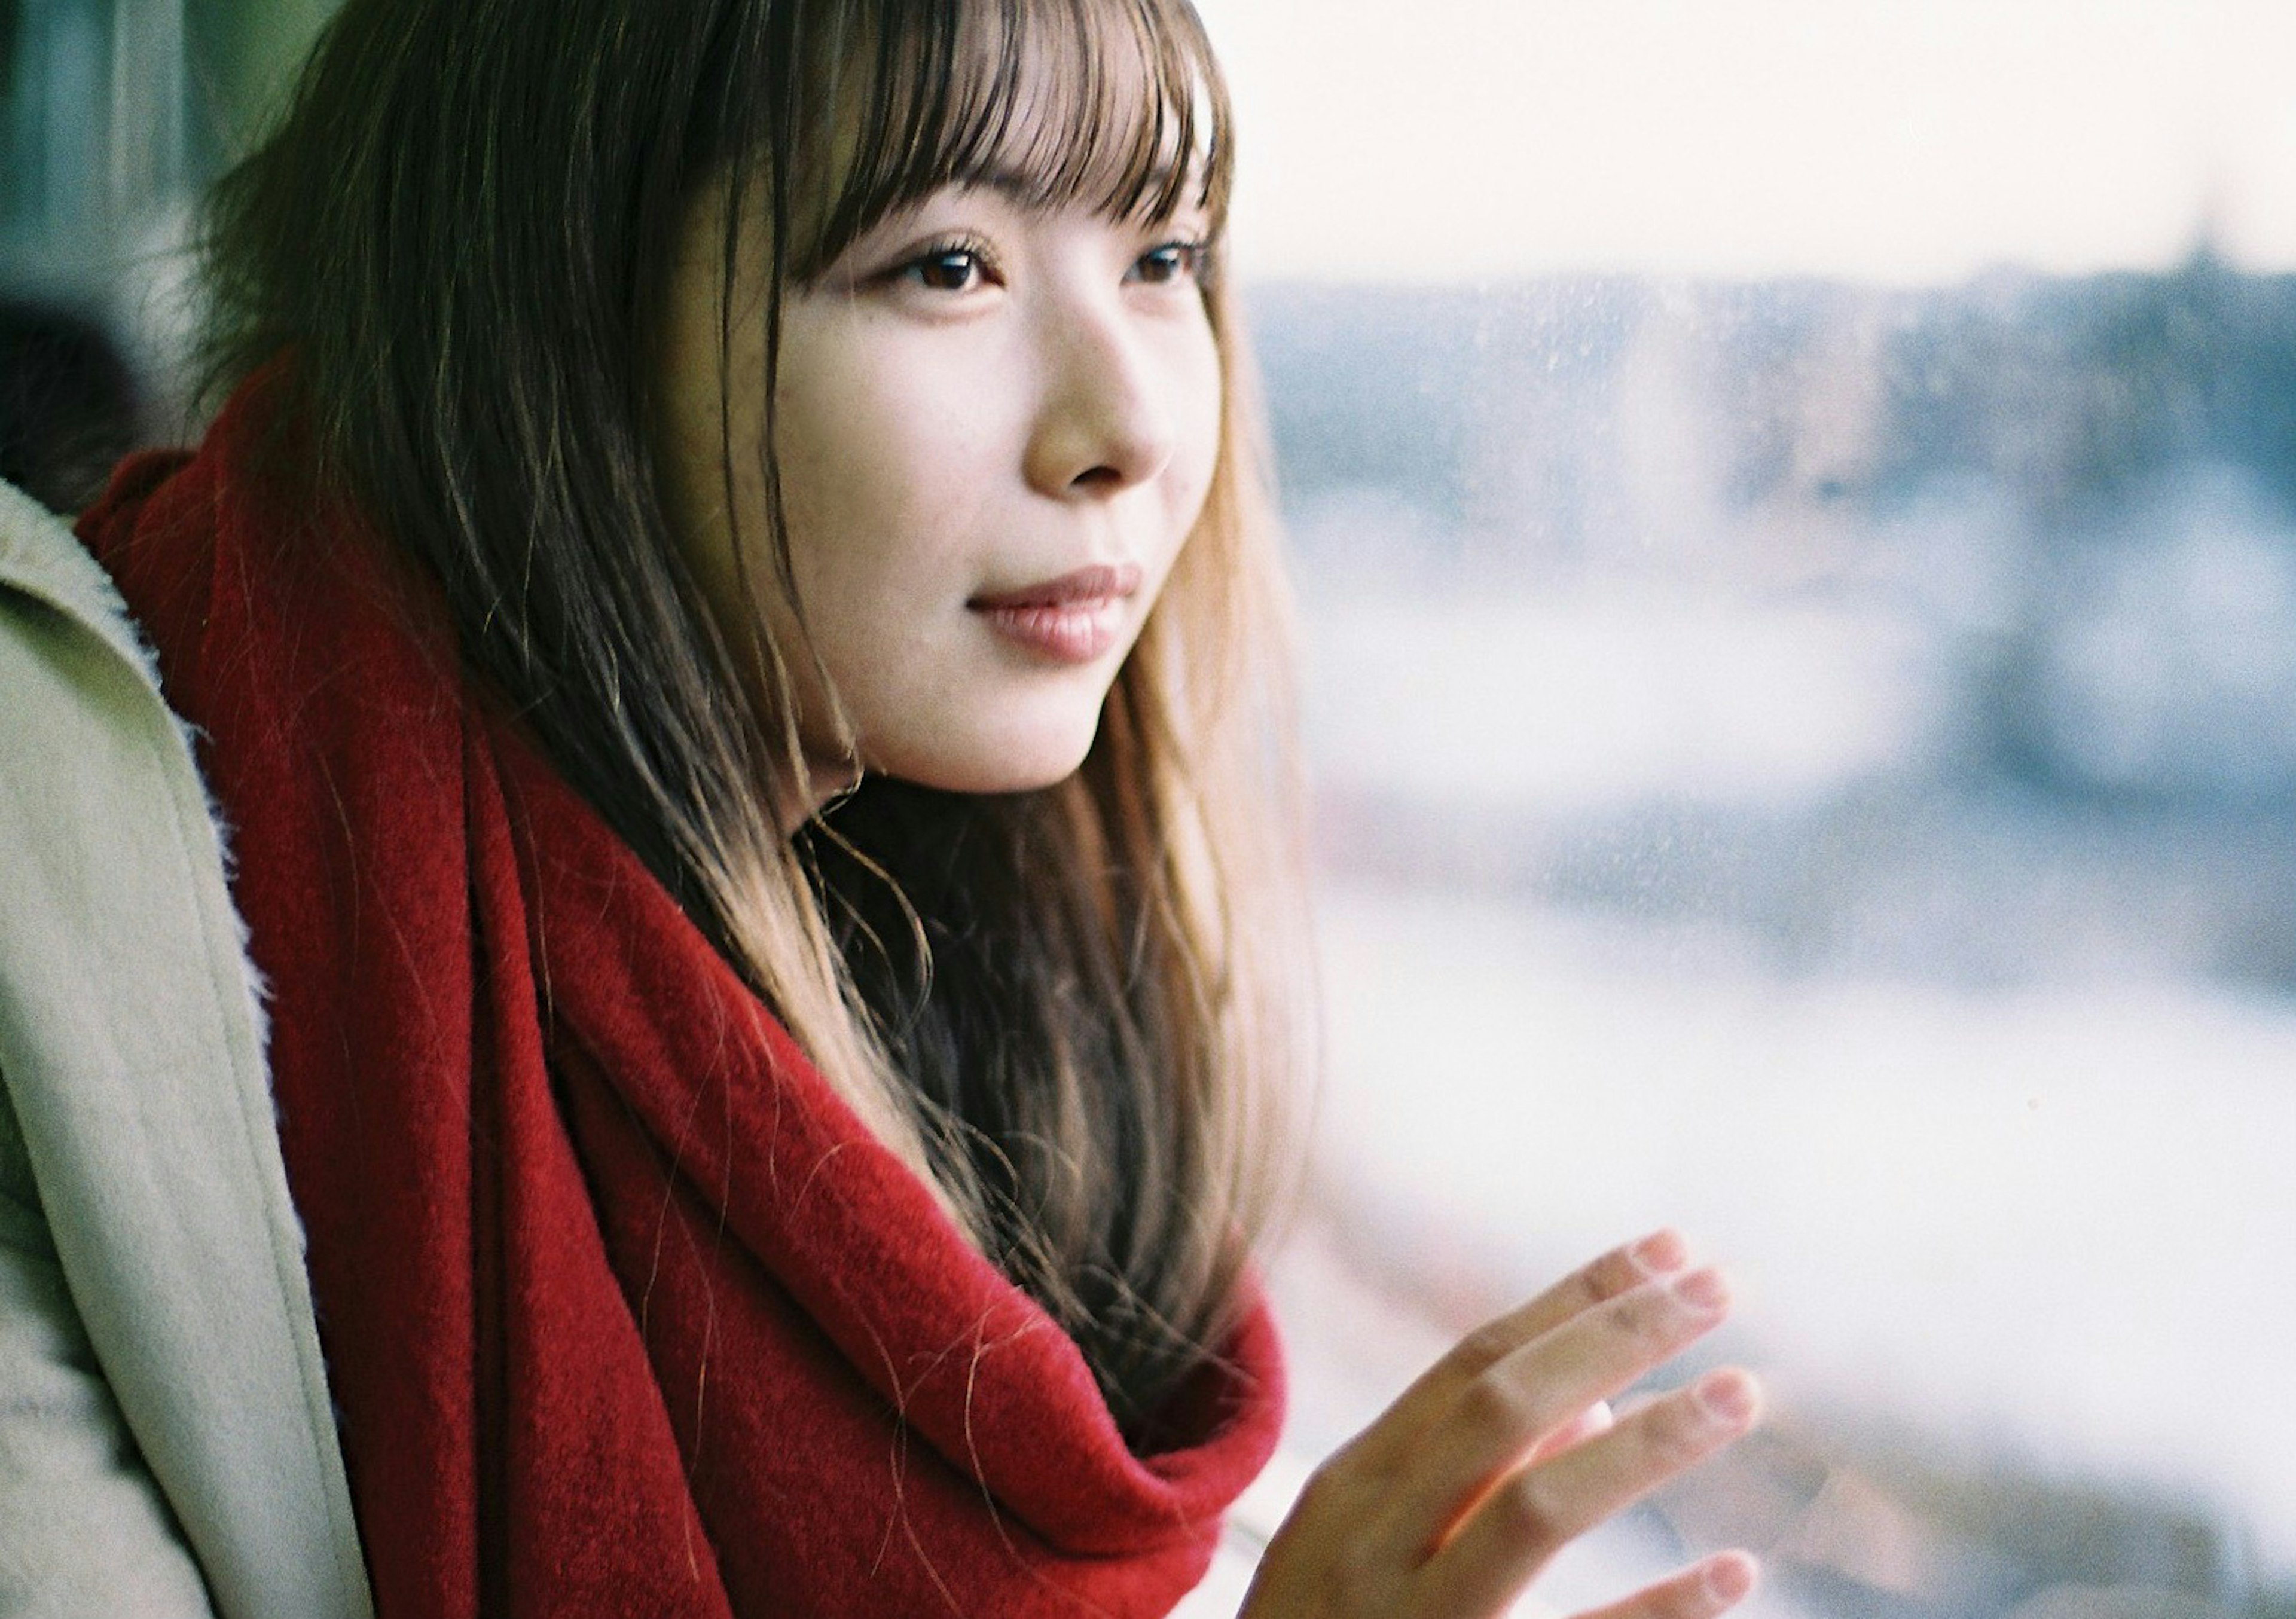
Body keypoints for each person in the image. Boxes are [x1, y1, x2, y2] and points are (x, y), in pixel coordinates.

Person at [1, 0, 1764, 1614]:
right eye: (946, 265)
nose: (1129, 424)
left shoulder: (942, 988)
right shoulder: (55, 917)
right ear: (565, 320)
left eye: (1163, 252)